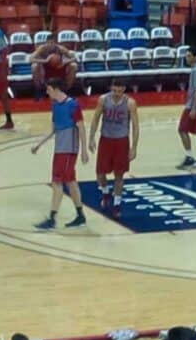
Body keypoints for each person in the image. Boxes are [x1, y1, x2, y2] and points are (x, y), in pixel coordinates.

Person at [32, 83, 88, 230]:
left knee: (57, 182)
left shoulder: (73, 105)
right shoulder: (56, 106)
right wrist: (39, 144)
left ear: (56, 89)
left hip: (69, 149)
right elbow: (52, 130)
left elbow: (81, 128)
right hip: (60, 149)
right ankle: (80, 215)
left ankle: (52, 218)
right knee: (70, 181)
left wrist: (84, 150)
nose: (46, 92)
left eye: (48, 89)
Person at [90, 80, 139, 219]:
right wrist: (91, 137)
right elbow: (95, 119)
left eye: (120, 91)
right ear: (111, 88)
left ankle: (117, 204)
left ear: (124, 89)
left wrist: (134, 147)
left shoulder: (130, 103)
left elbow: (135, 126)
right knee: (100, 173)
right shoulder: (103, 99)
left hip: (121, 141)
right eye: (115, 91)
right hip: (105, 139)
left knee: (119, 175)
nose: (117, 94)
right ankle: (106, 193)